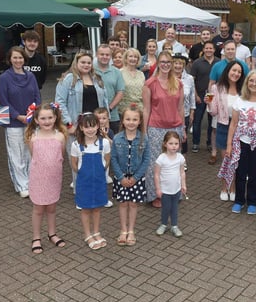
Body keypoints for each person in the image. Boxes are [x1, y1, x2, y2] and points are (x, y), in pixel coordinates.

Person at [220, 71, 256, 215]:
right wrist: (229, 145)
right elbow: (233, 124)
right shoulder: (240, 100)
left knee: (255, 173)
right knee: (240, 172)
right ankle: (239, 201)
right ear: (247, 82)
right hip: (241, 141)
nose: (254, 84)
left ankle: (252, 202)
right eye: (251, 81)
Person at [55, 52, 108, 187]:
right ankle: (80, 192)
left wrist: (105, 121)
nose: (86, 65)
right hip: (76, 126)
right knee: (78, 160)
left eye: (89, 63)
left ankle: (97, 190)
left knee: (98, 158)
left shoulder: (97, 79)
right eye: (83, 62)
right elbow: (59, 102)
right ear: (76, 63)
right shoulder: (68, 79)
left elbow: (105, 101)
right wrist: (68, 124)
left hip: (95, 126)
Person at [142, 51, 185, 208]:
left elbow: (181, 108)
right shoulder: (150, 84)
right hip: (155, 127)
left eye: (168, 62)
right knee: (155, 163)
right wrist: (144, 131)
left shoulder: (178, 83)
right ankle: (155, 194)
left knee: (174, 163)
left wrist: (184, 128)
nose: (166, 65)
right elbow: (146, 109)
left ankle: (174, 192)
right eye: (163, 62)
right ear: (158, 63)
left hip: (175, 127)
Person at [0, 46, 41, 198]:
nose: (18, 60)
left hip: (30, 123)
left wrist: (34, 115)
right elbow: (4, 101)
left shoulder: (31, 76)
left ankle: (31, 182)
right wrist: (18, 116)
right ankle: (21, 185)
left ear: (24, 59)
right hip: (13, 123)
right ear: (10, 59)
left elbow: (37, 96)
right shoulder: (4, 78)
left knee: (30, 153)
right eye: (15, 57)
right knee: (17, 155)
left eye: (20, 57)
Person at [25, 103, 68, 254]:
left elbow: (61, 155)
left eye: (50, 117)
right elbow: (33, 156)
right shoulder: (33, 137)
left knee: (51, 207)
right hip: (38, 178)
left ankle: (52, 233)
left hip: (54, 178)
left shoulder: (60, 136)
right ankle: (36, 237)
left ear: (55, 118)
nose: (47, 121)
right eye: (43, 118)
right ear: (36, 120)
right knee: (38, 208)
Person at [111, 105, 150, 246]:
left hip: (136, 178)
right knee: (122, 204)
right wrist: (120, 177)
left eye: (135, 119)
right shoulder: (117, 139)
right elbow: (113, 158)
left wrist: (136, 177)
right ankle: (123, 230)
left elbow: (146, 159)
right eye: (128, 119)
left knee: (133, 204)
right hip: (121, 178)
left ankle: (131, 230)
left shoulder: (144, 139)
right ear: (122, 121)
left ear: (140, 121)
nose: (131, 122)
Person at [71, 113, 111, 250]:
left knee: (97, 208)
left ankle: (97, 232)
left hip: (99, 182)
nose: (90, 129)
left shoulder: (104, 143)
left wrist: (99, 172)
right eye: (86, 127)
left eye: (93, 126)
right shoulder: (76, 145)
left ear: (98, 126)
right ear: (81, 128)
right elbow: (74, 165)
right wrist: (84, 172)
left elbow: (107, 160)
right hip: (84, 183)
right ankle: (88, 234)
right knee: (86, 209)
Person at [207, 61, 246, 199]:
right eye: (233, 71)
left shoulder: (244, 89)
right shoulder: (216, 88)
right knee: (226, 160)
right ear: (228, 71)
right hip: (224, 125)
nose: (236, 74)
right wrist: (209, 102)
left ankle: (234, 187)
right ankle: (225, 187)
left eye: (239, 72)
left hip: (240, 127)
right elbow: (213, 111)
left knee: (237, 160)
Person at [154, 132, 188, 237]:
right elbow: (156, 175)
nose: (174, 146)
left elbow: (182, 172)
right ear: (165, 144)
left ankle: (174, 226)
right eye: (171, 143)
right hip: (165, 190)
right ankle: (163, 224)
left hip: (176, 189)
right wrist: (158, 188)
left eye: (176, 143)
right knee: (166, 208)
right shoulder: (161, 158)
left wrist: (183, 185)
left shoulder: (180, 158)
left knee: (175, 208)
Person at [190, 41, 219, 153]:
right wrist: (196, 95)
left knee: (212, 120)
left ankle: (209, 143)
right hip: (200, 95)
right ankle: (196, 143)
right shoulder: (197, 62)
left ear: (214, 50)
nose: (208, 50)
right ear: (203, 49)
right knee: (197, 120)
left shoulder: (218, 62)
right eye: (206, 48)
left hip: (213, 95)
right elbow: (192, 81)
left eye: (211, 48)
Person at [94, 44, 125, 133]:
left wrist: (109, 108)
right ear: (97, 55)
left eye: (107, 55)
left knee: (112, 141)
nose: (104, 57)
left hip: (113, 116)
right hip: (94, 114)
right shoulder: (91, 70)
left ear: (110, 56)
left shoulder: (116, 72)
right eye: (102, 54)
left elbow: (120, 91)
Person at [172, 53, 195, 162]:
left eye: (180, 64)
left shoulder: (189, 78)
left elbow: (192, 96)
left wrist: (192, 112)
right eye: (175, 63)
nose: (178, 66)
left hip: (184, 113)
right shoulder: (168, 77)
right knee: (171, 136)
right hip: (170, 113)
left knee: (183, 137)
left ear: (184, 65)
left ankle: (183, 160)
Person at [118, 48, 145, 113]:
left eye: (135, 57)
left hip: (139, 110)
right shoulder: (119, 73)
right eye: (130, 56)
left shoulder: (141, 74)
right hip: (124, 110)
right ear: (126, 58)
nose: (133, 59)